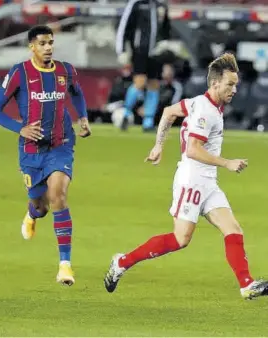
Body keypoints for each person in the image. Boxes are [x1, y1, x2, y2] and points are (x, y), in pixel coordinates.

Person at [104, 53, 268, 300]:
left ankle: (246, 285)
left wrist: (159, 145)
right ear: (215, 84)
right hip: (192, 181)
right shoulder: (206, 112)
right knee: (181, 239)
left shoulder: (199, 103)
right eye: (230, 84)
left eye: (236, 85)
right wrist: (227, 163)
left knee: (233, 229)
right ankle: (122, 262)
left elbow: (169, 112)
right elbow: (193, 149)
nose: (234, 89)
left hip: (208, 182)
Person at [0, 25, 91, 286]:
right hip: (32, 150)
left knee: (58, 194)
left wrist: (83, 117)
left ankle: (65, 265)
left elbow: (77, 93)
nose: (48, 48)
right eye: (42, 43)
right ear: (31, 47)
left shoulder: (65, 70)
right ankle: (32, 214)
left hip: (61, 144)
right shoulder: (19, 73)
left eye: (51, 43)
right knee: (41, 205)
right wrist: (20, 128)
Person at [115, 0, 170, 131]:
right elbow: (124, 27)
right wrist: (121, 49)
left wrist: (166, 43)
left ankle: (148, 122)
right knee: (140, 82)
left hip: (157, 52)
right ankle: (126, 114)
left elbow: (167, 27)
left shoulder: (161, 5)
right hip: (140, 50)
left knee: (154, 84)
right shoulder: (136, 3)